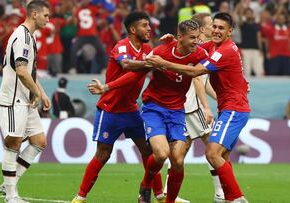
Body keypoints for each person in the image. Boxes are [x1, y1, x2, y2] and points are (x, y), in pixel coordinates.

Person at [89, 19, 212, 203]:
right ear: (180, 37)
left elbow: (205, 68)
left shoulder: (199, 53)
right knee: (161, 154)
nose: (196, 41)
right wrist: (107, 87)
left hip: (177, 110)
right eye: (192, 38)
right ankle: (146, 184)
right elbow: (135, 73)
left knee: (177, 161)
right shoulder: (161, 51)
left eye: (197, 38)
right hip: (154, 108)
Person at [146, 12, 251, 203]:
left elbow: (195, 72)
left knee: (211, 153)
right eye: (215, 26)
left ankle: (236, 198)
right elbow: (190, 46)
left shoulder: (224, 50)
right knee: (222, 157)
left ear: (230, 32)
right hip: (230, 107)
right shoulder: (213, 46)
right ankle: (227, 196)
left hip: (234, 109)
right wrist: (172, 43)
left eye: (221, 28)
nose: (216, 30)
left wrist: (164, 63)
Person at [71, 11, 164, 203]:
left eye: (149, 25)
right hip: (110, 109)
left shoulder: (148, 48)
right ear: (132, 29)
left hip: (131, 110)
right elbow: (127, 65)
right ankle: (80, 197)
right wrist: (149, 64)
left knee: (148, 152)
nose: (149, 29)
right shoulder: (121, 46)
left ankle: (160, 195)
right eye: (144, 25)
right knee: (103, 154)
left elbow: (158, 63)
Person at [160, 13, 224, 203]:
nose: (214, 28)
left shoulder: (200, 48)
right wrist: (206, 107)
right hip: (191, 107)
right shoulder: (196, 49)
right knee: (215, 148)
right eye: (211, 24)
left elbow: (203, 82)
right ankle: (221, 192)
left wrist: (221, 98)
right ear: (203, 28)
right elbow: (197, 79)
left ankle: (165, 191)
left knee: (180, 153)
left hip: (185, 107)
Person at [0, 1, 51, 203]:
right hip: (13, 99)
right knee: (13, 143)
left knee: (39, 141)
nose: (48, 19)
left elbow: (29, 72)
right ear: (34, 14)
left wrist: (41, 93)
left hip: (25, 99)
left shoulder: (30, 36)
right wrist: (35, 92)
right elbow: (20, 71)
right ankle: (11, 196)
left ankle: (9, 182)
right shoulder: (22, 36)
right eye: (46, 15)